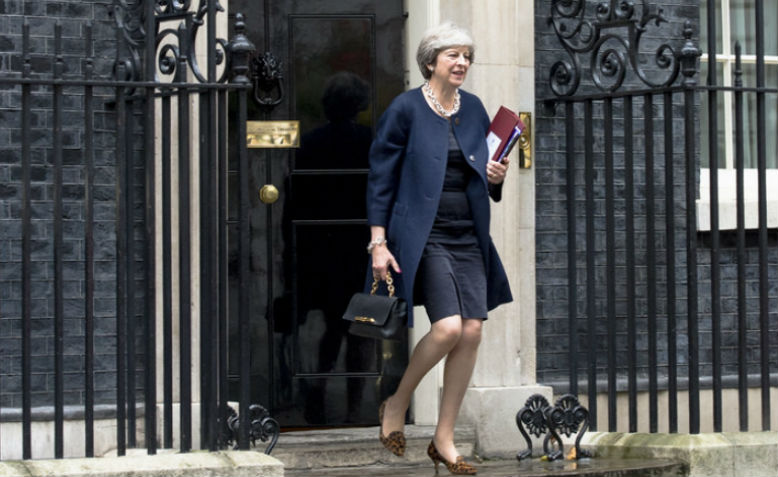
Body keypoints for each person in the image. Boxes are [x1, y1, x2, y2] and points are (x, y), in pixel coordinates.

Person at [365, 22, 512, 475]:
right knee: (448, 328)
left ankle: (443, 439)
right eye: (453, 55)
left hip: (468, 233)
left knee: (472, 332)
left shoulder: (476, 109)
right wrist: (378, 242)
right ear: (431, 61)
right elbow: (381, 178)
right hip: (423, 236)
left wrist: (495, 177)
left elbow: (484, 171)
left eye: (467, 55)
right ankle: (397, 402)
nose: (462, 62)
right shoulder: (405, 109)